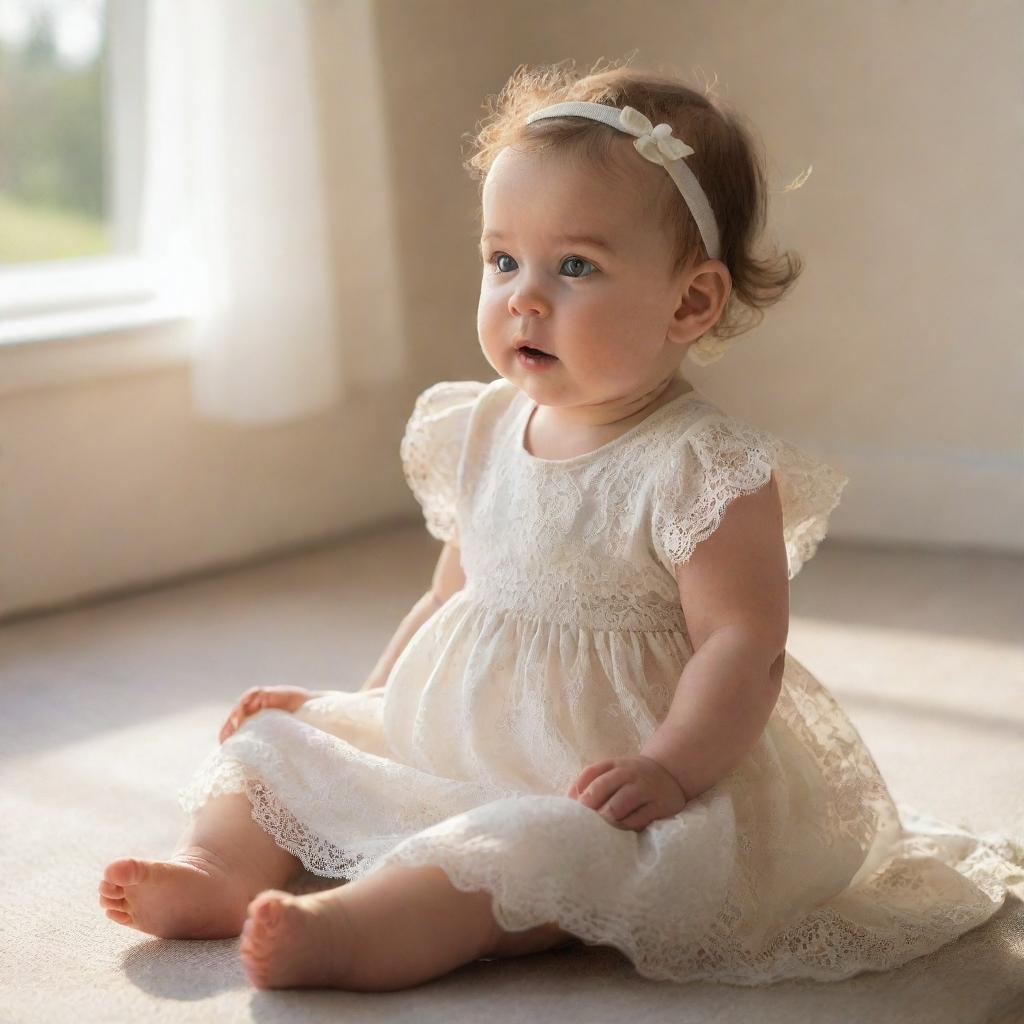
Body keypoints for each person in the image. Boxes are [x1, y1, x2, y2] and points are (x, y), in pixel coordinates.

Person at [99, 58, 1024, 992]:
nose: (524, 298)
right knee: (275, 746)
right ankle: (217, 870)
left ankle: (351, 932)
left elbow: (745, 643)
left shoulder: (701, 467)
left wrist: (668, 768)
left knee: (519, 851)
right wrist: (358, 709)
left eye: (574, 266)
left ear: (690, 301)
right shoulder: (484, 423)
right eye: (504, 260)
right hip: (451, 741)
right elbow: (450, 592)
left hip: (597, 783)